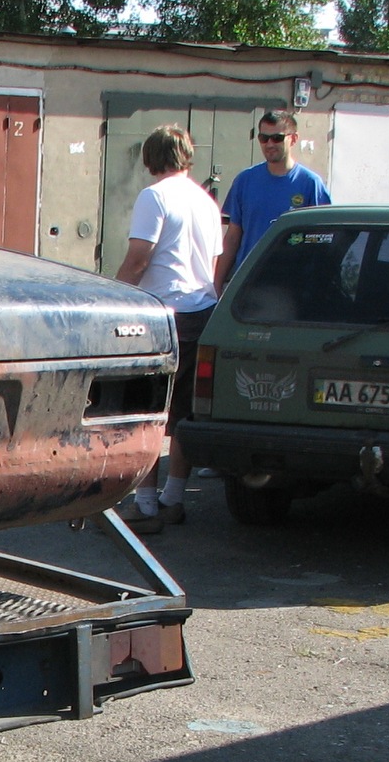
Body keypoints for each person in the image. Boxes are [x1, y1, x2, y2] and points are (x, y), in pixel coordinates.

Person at [114, 123, 222, 532]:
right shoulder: (206, 201)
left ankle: (144, 505)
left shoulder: (154, 196)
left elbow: (140, 258)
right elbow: (212, 266)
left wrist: (115, 296)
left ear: (150, 158)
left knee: (146, 411)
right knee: (182, 414)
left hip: (162, 314)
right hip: (202, 310)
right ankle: (174, 499)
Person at [216, 110, 332, 282]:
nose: (269, 144)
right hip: (247, 281)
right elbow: (233, 237)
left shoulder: (310, 184)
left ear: (293, 139)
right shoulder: (245, 180)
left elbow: (323, 239)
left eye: (277, 138)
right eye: (264, 138)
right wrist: (217, 282)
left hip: (290, 283)